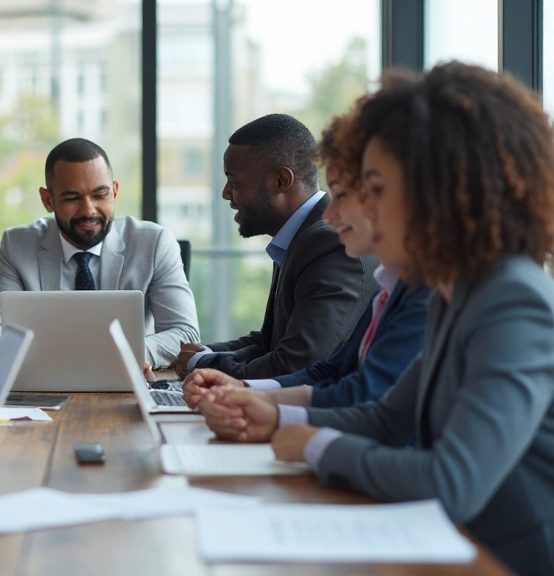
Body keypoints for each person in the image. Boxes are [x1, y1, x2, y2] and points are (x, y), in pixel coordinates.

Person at [200, 63, 554, 575]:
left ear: (444, 192)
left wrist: (317, 444)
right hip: (446, 542)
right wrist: (277, 416)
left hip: (505, 558)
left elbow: (452, 482)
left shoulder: (512, 300)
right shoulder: (456, 294)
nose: (361, 208)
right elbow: (390, 416)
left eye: (377, 190)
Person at [181, 114, 428, 409]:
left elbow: (305, 366)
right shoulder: (390, 283)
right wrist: (231, 380)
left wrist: (210, 367)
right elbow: (315, 362)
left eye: (344, 195)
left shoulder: (330, 243)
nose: (332, 215)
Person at [171, 114, 376, 380]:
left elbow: (296, 365)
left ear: (281, 181)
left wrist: (202, 363)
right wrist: (201, 354)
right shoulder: (300, 236)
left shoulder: (328, 243)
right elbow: (269, 342)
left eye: (234, 183)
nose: (225, 194)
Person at [0, 138, 199, 368]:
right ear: (48, 200)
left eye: (99, 195)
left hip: (127, 382)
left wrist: (131, 355)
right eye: (73, 198)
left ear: (114, 192)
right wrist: (59, 355)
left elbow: (186, 334)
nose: (88, 210)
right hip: (46, 381)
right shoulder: (17, 244)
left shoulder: (154, 243)